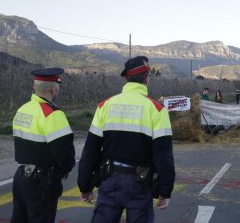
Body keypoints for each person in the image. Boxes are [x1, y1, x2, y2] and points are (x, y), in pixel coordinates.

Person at [78, 56, 175, 223]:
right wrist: (165, 190)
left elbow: (90, 150)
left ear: (126, 78)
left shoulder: (104, 106)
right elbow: (163, 155)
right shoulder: (157, 110)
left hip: (109, 181)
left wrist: (84, 185)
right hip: (140, 184)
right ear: (146, 78)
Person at [11, 68, 75, 223]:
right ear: (53, 89)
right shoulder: (52, 114)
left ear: (35, 88)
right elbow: (63, 152)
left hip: (20, 177)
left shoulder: (22, 109)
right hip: (41, 182)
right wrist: (65, 168)